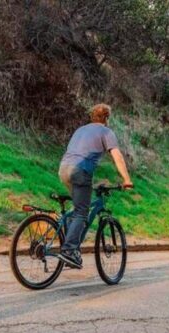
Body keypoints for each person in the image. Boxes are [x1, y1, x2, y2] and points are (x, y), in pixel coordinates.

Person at [57, 104, 133, 269]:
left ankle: (70, 245)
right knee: (82, 212)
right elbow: (117, 156)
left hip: (63, 168)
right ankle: (69, 250)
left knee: (77, 208)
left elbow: (80, 151)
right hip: (80, 171)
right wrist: (126, 179)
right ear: (106, 118)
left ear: (92, 117)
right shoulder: (106, 132)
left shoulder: (80, 130)